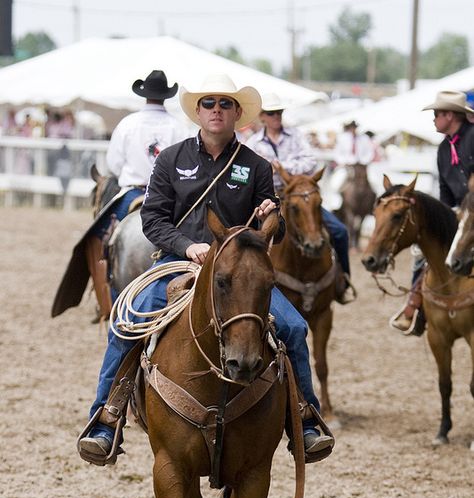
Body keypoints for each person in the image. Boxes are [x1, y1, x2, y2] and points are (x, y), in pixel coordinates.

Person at [78, 74, 334, 466]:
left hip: (240, 271)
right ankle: (106, 418)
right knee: (124, 323)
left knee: (294, 327)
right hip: (177, 263)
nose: (217, 110)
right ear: (198, 112)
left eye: (225, 104)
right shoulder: (171, 159)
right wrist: (187, 245)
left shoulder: (255, 166)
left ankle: (306, 418)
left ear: (237, 114)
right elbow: (153, 219)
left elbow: (277, 231)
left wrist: (273, 213)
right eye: (210, 104)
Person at [52, 70, 189, 321]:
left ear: (145, 95)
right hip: (170, 197)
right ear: (165, 96)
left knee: (99, 237)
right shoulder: (178, 127)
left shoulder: (128, 124)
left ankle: (106, 301)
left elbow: (114, 165)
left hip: (133, 193)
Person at [246, 93, 352, 303]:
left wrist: (282, 168)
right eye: (271, 113)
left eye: (279, 112)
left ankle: (343, 280)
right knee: (248, 237)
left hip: (298, 195)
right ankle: (248, 284)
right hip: (268, 198)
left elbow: (311, 161)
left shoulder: (295, 135)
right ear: (262, 117)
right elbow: (254, 169)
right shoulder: (253, 142)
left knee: (339, 231)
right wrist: (277, 170)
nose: (277, 116)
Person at [391, 90, 474, 334]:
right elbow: (445, 190)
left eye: (437, 114)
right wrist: (448, 214)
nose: (434, 119)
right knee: (424, 249)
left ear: (450, 115)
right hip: (460, 213)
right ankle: (417, 307)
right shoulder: (442, 149)